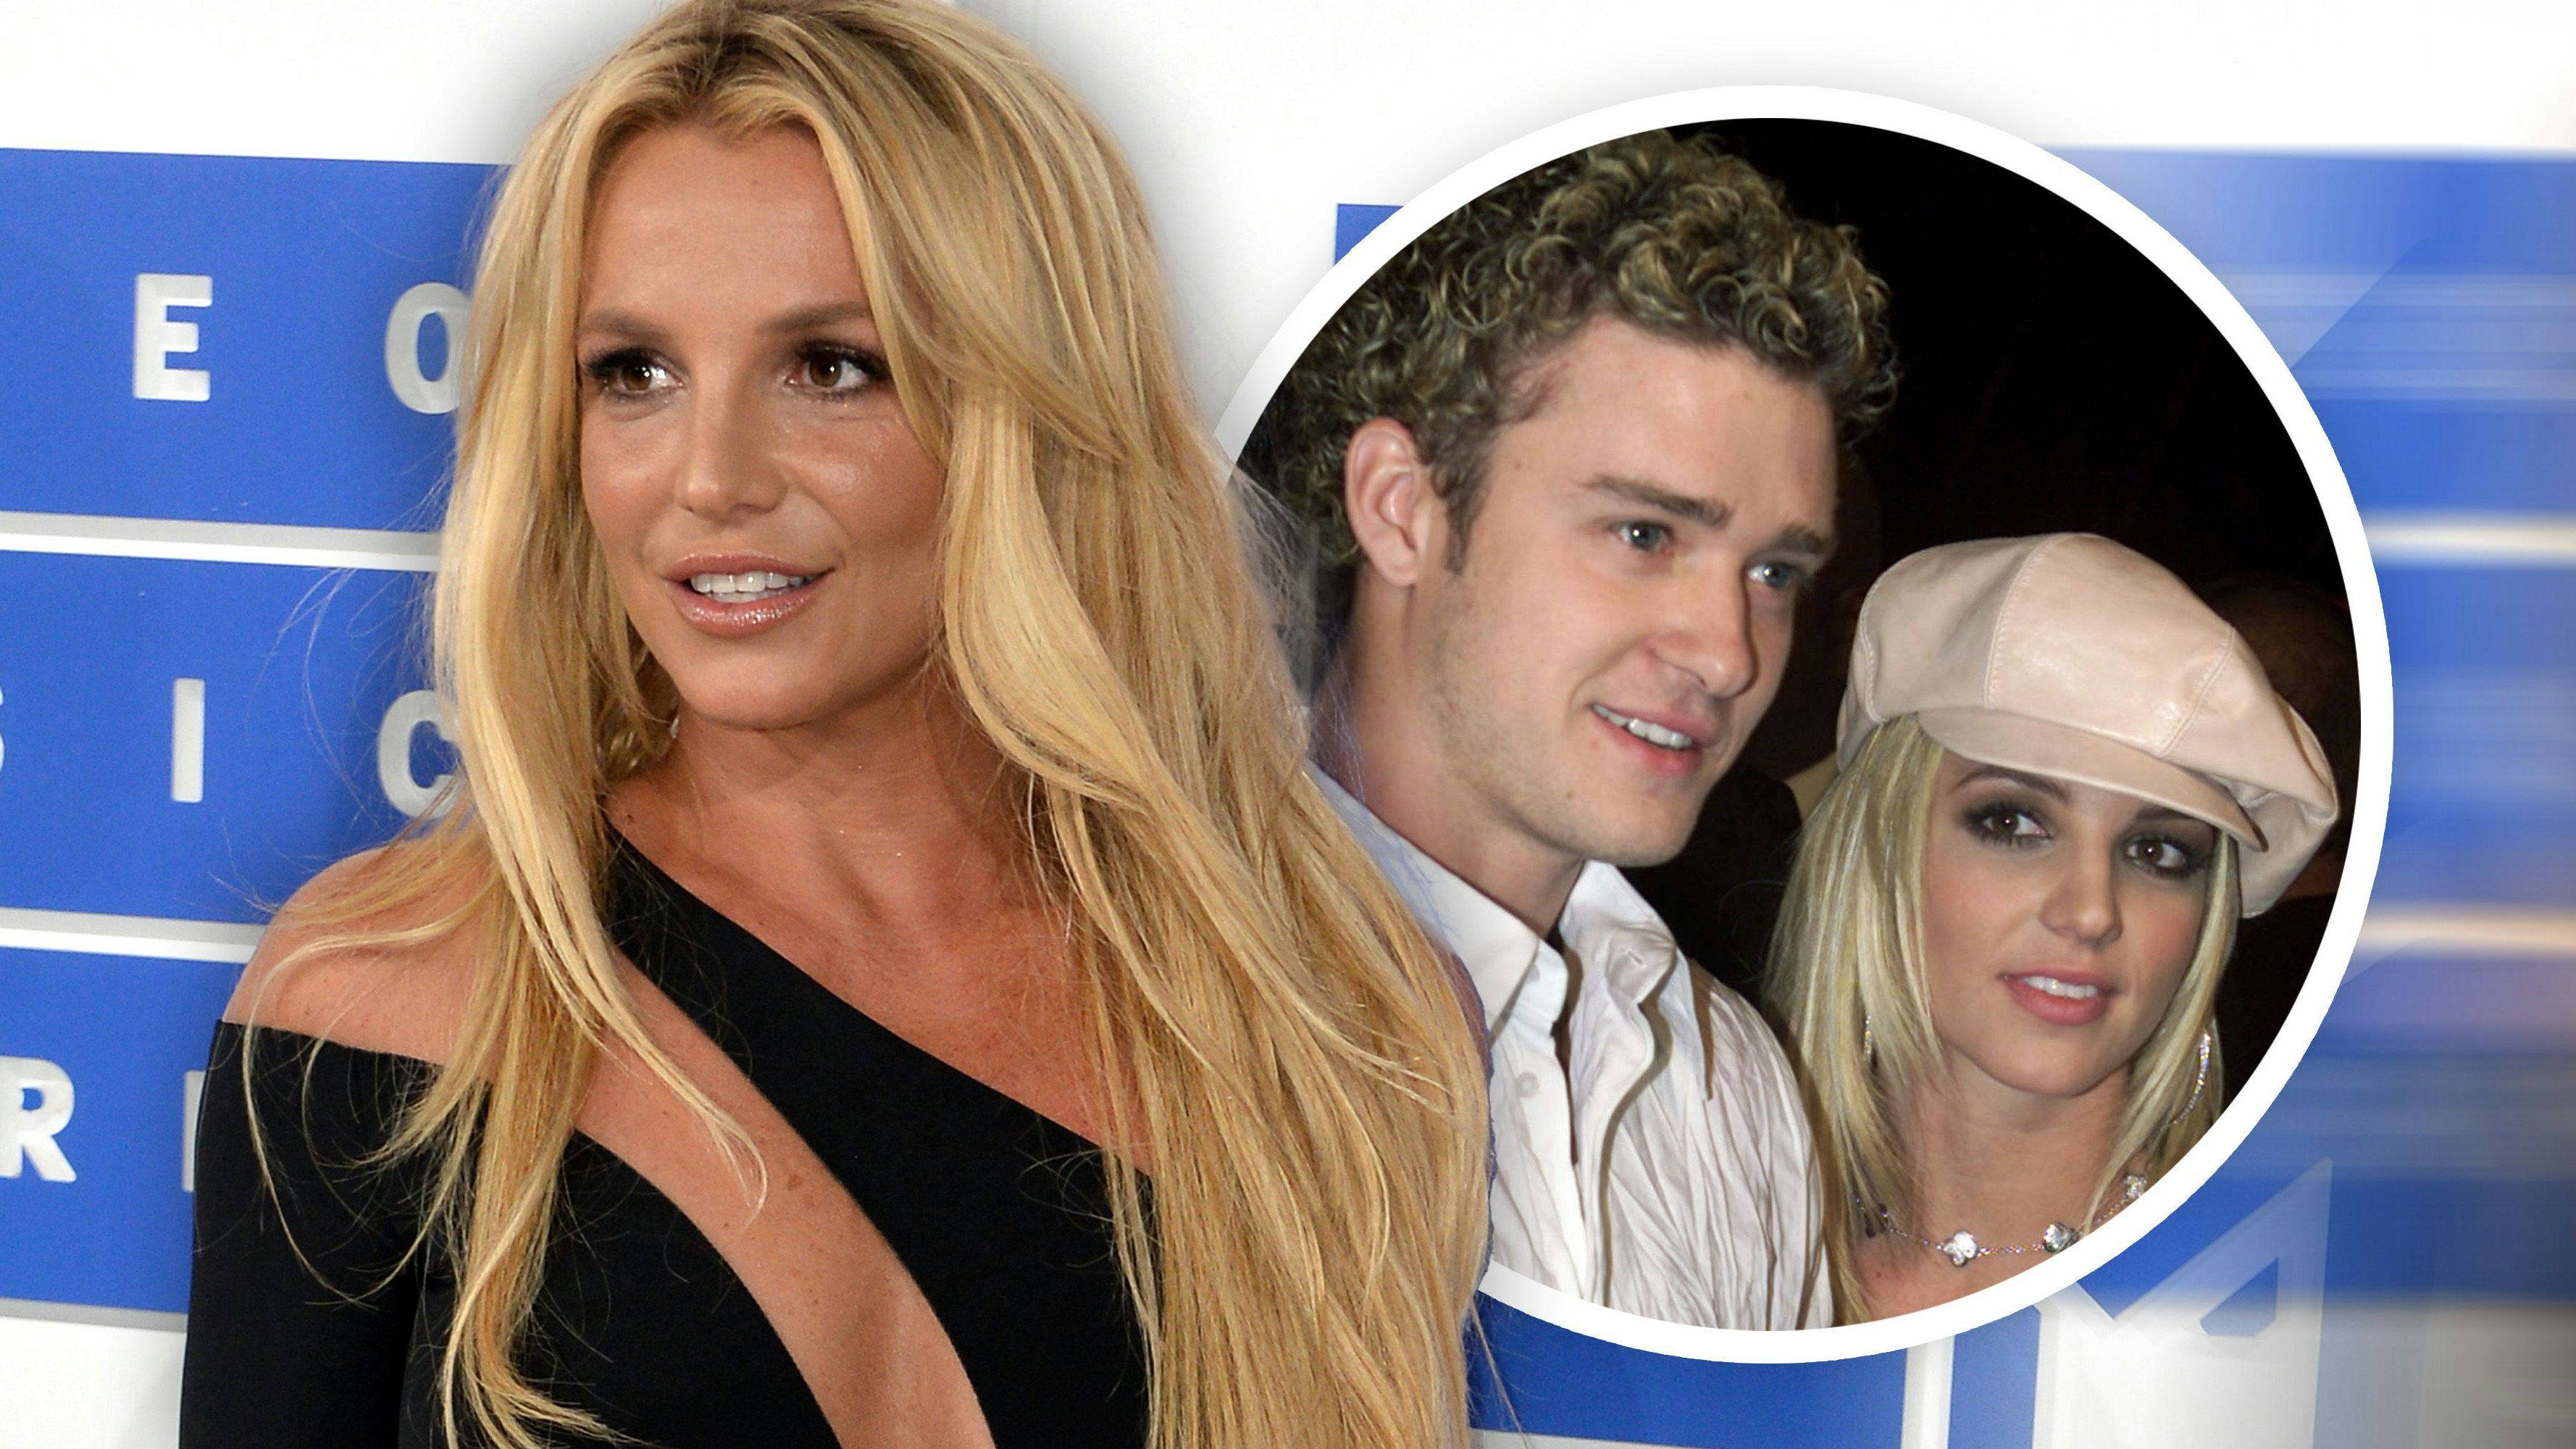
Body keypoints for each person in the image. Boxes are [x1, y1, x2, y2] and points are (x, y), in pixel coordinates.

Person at [178, 4, 1489, 1448]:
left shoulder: (1337, 1017)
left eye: (830, 366)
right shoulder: (385, 994)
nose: (710, 477)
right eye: (634, 373)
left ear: (1033, 412)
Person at [1238, 129, 1897, 1329]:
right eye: (1644, 535)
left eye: (1774, 572)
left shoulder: (1732, 1090)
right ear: (1401, 509)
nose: (1730, 654)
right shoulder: (1131, 980)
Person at [1770, 533, 2337, 1321]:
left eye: (2156, 850)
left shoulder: (2282, 1306)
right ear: (1879, 850)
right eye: (2012, 822)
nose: (2091, 911)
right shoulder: (1725, 1259)